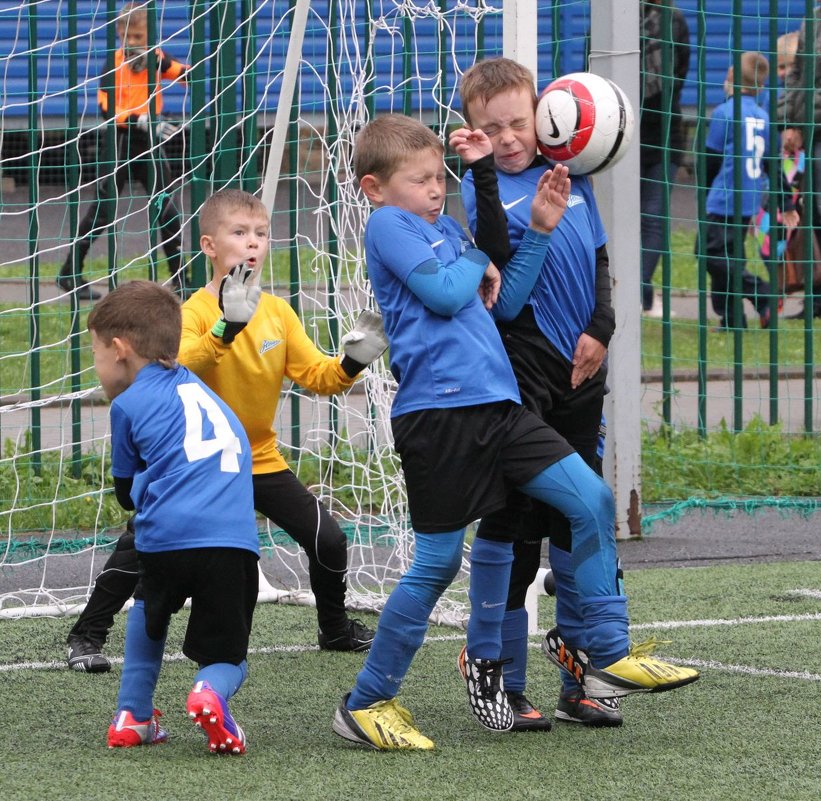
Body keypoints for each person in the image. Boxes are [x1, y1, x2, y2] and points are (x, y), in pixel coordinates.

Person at [333, 114, 691, 751]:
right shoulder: (388, 224)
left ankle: (607, 650)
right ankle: (366, 702)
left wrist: (536, 237)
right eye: (418, 181)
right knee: (438, 564)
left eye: (438, 176)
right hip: (439, 416)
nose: (435, 189)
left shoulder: (443, 227)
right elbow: (447, 295)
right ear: (375, 188)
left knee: (591, 500)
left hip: (499, 408)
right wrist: (478, 256)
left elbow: (509, 298)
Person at [455, 56, 698, 733]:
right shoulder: (482, 195)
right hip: (520, 378)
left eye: (516, 122)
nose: (507, 137)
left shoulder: (574, 177)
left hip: (579, 376)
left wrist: (602, 326)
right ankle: (501, 676)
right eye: (490, 127)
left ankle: (584, 673)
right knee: (514, 523)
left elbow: (598, 264)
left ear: (541, 114)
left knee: (575, 521)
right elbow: (503, 292)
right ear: (473, 130)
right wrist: (498, 186)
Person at [64, 189, 385, 672]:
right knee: (140, 542)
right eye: (239, 233)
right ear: (210, 245)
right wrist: (226, 328)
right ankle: (86, 636)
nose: (252, 243)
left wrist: (352, 361)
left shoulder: (277, 312)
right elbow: (173, 363)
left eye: (260, 234)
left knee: (329, 540)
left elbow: (320, 377)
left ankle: (334, 628)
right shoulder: (191, 313)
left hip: (257, 458)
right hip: (202, 464)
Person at [90, 280, 258, 754]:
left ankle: (132, 716)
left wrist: (149, 485)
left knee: (149, 612)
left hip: (164, 539)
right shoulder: (207, 394)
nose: (97, 364)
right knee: (228, 656)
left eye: (97, 352)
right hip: (231, 540)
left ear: (119, 349)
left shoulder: (127, 404)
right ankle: (210, 691)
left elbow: (126, 496)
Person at [58, 2, 187, 301]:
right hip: (118, 144)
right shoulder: (112, 65)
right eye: (128, 37)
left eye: (139, 37)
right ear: (118, 33)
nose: (133, 44)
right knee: (103, 211)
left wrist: (193, 74)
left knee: (166, 209)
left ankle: (181, 279)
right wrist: (139, 119)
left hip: (149, 146)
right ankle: (69, 272)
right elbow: (106, 108)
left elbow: (183, 74)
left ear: (150, 36)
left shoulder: (157, 59)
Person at [701, 52, 781, 330]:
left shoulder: (725, 112)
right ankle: (733, 319)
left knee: (711, 255)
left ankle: (762, 294)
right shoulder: (763, 116)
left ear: (731, 81)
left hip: (724, 197)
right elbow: (772, 163)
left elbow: (710, 158)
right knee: (730, 256)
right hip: (749, 199)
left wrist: (706, 189)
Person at [776, 0, 821, 320]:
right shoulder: (813, 19)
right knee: (808, 210)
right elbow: (796, 73)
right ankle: (816, 294)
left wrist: (803, 125)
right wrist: (787, 120)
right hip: (805, 126)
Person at [640, 0, 690, 314]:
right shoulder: (615, 21)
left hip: (662, 135)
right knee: (625, 220)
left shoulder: (673, 21)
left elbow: (676, 76)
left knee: (652, 219)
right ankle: (639, 294)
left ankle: (635, 291)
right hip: (622, 135)